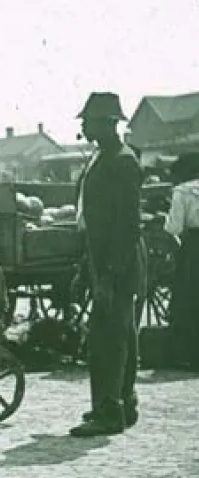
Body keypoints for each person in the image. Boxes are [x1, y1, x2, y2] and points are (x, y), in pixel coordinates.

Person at [69, 92, 144, 438]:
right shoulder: (102, 157)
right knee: (120, 333)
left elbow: (128, 225)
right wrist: (90, 267)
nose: (83, 125)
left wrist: (110, 275)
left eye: (89, 120)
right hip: (105, 259)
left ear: (108, 123)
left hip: (120, 262)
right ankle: (123, 404)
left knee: (107, 338)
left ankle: (108, 411)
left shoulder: (122, 161)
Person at [164, 152, 199, 371]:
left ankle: (192, 354)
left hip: (195, 247)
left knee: (191, 297)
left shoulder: (183, 191)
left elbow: (173, 227)